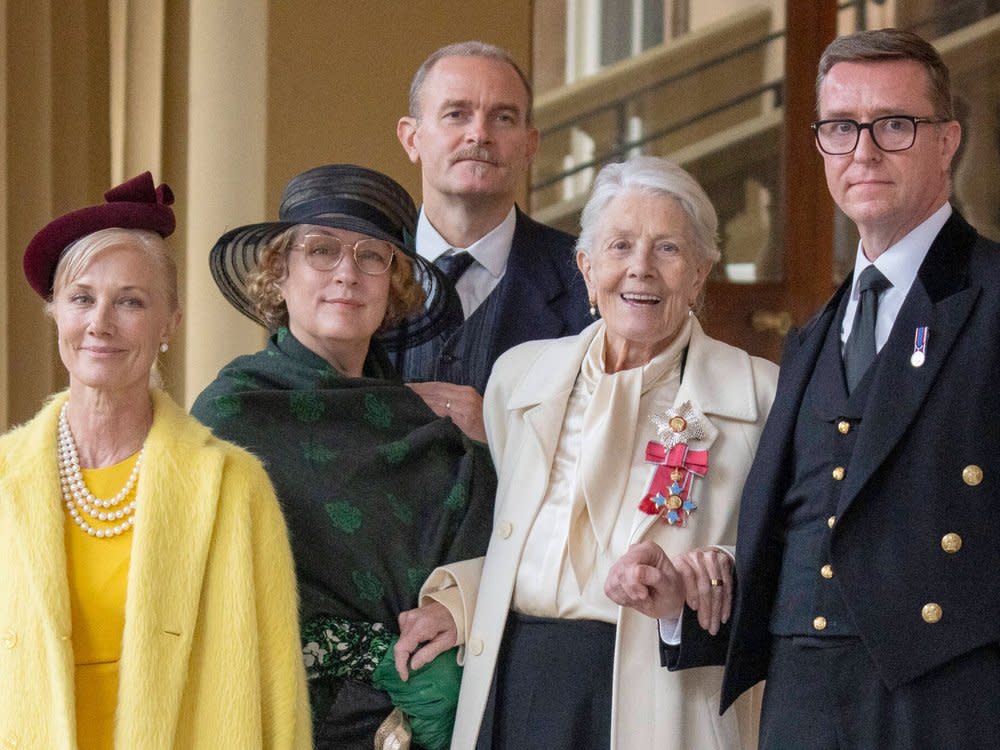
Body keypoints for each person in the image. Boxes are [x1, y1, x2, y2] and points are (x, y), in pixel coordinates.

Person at [607, 28, 1000, 749]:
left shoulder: (994, 297)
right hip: (800, 706)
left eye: (895, 124)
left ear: (947, 140)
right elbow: (806, 531)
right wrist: (687, 604)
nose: (864, 151)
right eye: (841, 128)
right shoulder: (817, 332)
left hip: (948, 708)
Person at [393, 156, 778, 749]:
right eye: (620, 245)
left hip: (661, 697)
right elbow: (522, 538)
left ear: (701, 272)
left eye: (668, 249)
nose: (641, 269)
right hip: (516, 686)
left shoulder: (759, 397)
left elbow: (786, 574)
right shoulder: (519, 379)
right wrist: (466, 602)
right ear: (587, 267)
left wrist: (704, 580)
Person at [191, 164, 496, 750]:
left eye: (371, 257)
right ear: (279, 275)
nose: (347, 275)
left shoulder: (432, 422)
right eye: (321, 250)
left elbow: (505, 547)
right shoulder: (229, 416)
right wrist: (371, 657)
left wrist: (490, 444)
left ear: (394, 286)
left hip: (441, 727)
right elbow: (208, 604)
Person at [1, 172, 310, 748]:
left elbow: (279, 699)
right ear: (56, 316)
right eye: (81, 298)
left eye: (131, 302)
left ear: (170, 323)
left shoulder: (234, 488)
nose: (100, 322)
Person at [393, 40, 591, 439]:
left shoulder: (587, 283)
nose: (479, 134)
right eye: (456, 114)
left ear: (530, 144)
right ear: (411, 138)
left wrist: (503, 435)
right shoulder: (357, 272)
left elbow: (617, 444)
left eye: (502, 118)